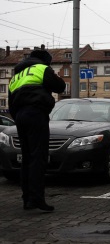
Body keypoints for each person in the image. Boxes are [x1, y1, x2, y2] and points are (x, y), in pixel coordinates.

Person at [8, 49, 65, 212]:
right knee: (38, 157)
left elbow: (11, 102)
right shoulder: (42, 69)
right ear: (45, 60)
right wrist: (53, 74)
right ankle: (38, 199)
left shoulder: (16, 76)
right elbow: (60, 87)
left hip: (20, 116)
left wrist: (18, 115)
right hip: (36, 114)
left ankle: (27, 199)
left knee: (26, 158)